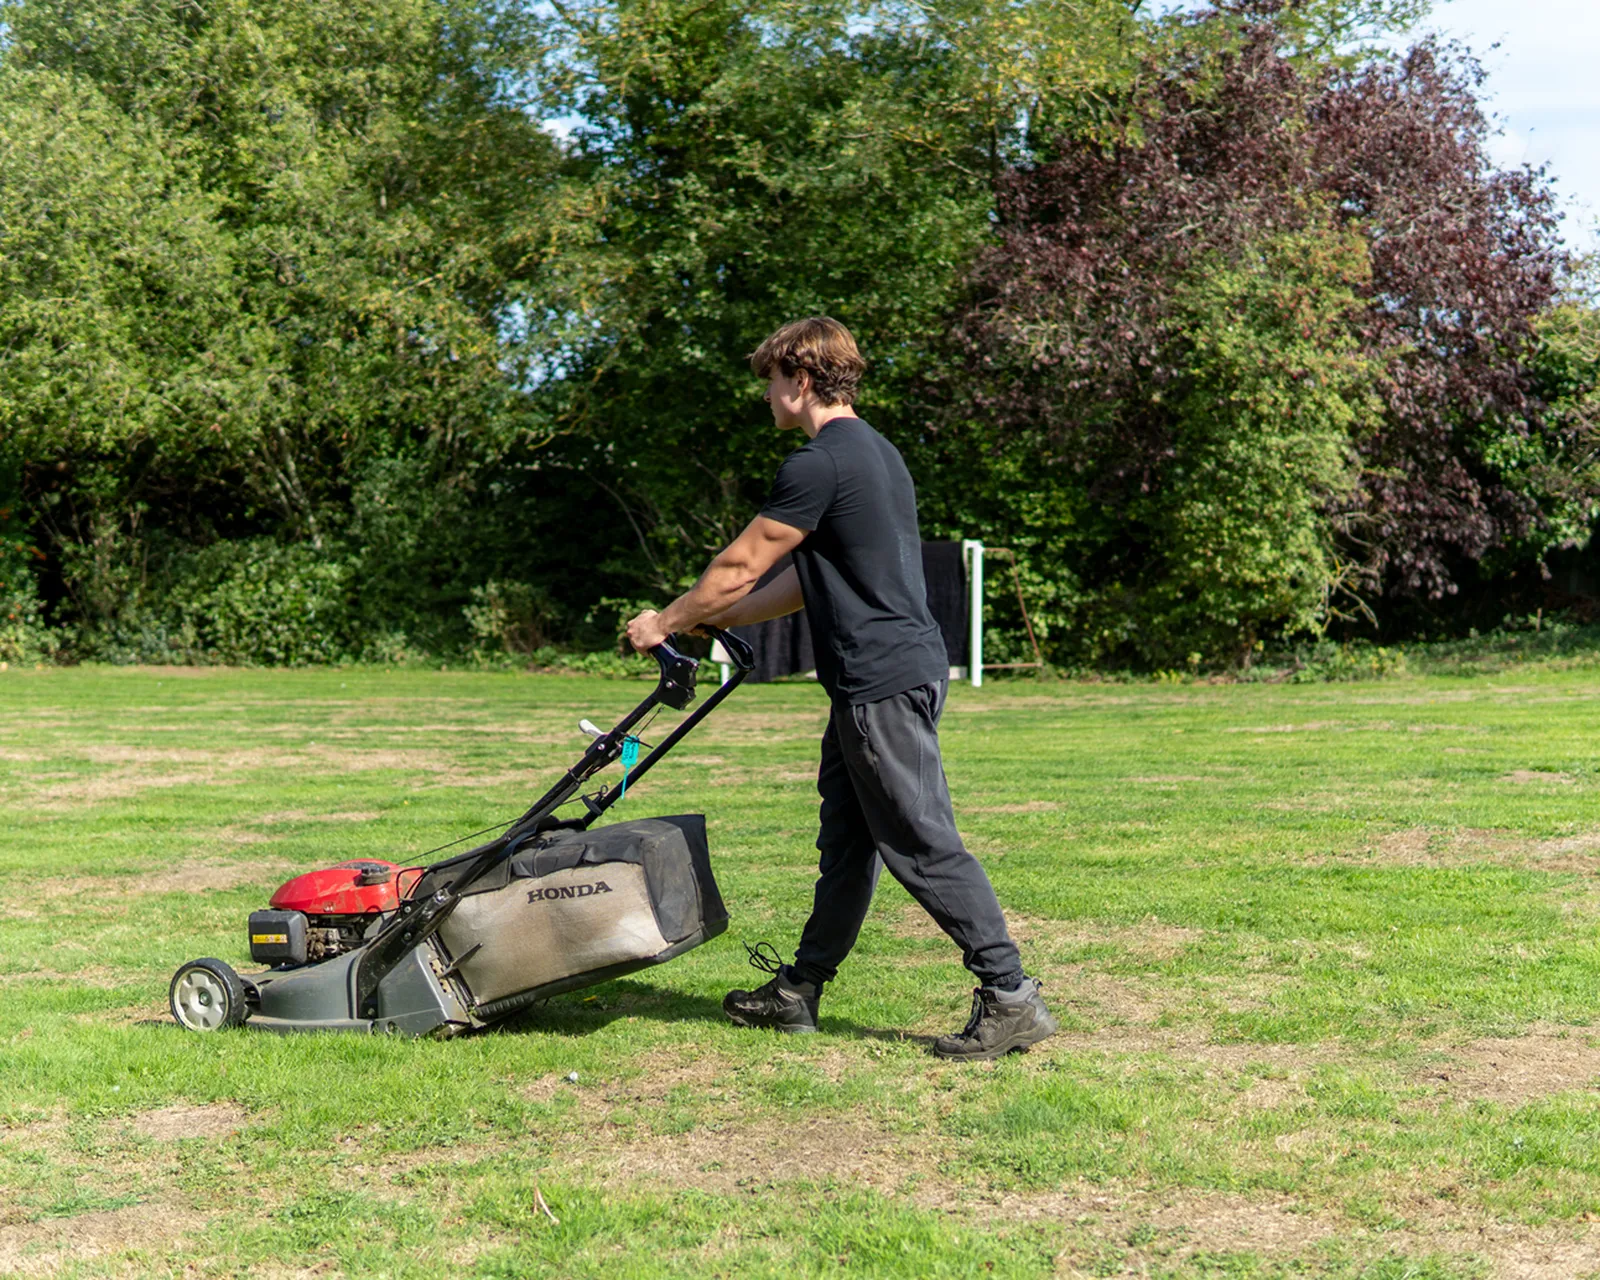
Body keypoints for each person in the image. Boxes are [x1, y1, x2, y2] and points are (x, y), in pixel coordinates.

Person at [625, 316, 1057, 1060]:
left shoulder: (819, 463)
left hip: (879, 682)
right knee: (850, 843)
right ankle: (799, 990)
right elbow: (801, 582)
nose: (766, 396)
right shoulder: (877, 454)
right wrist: (715, 617)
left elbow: (740, 564)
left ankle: (1010, 994)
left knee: (920, 842)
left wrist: (664, 621)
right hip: (893, 674)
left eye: (770, 381)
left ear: (800, 379)